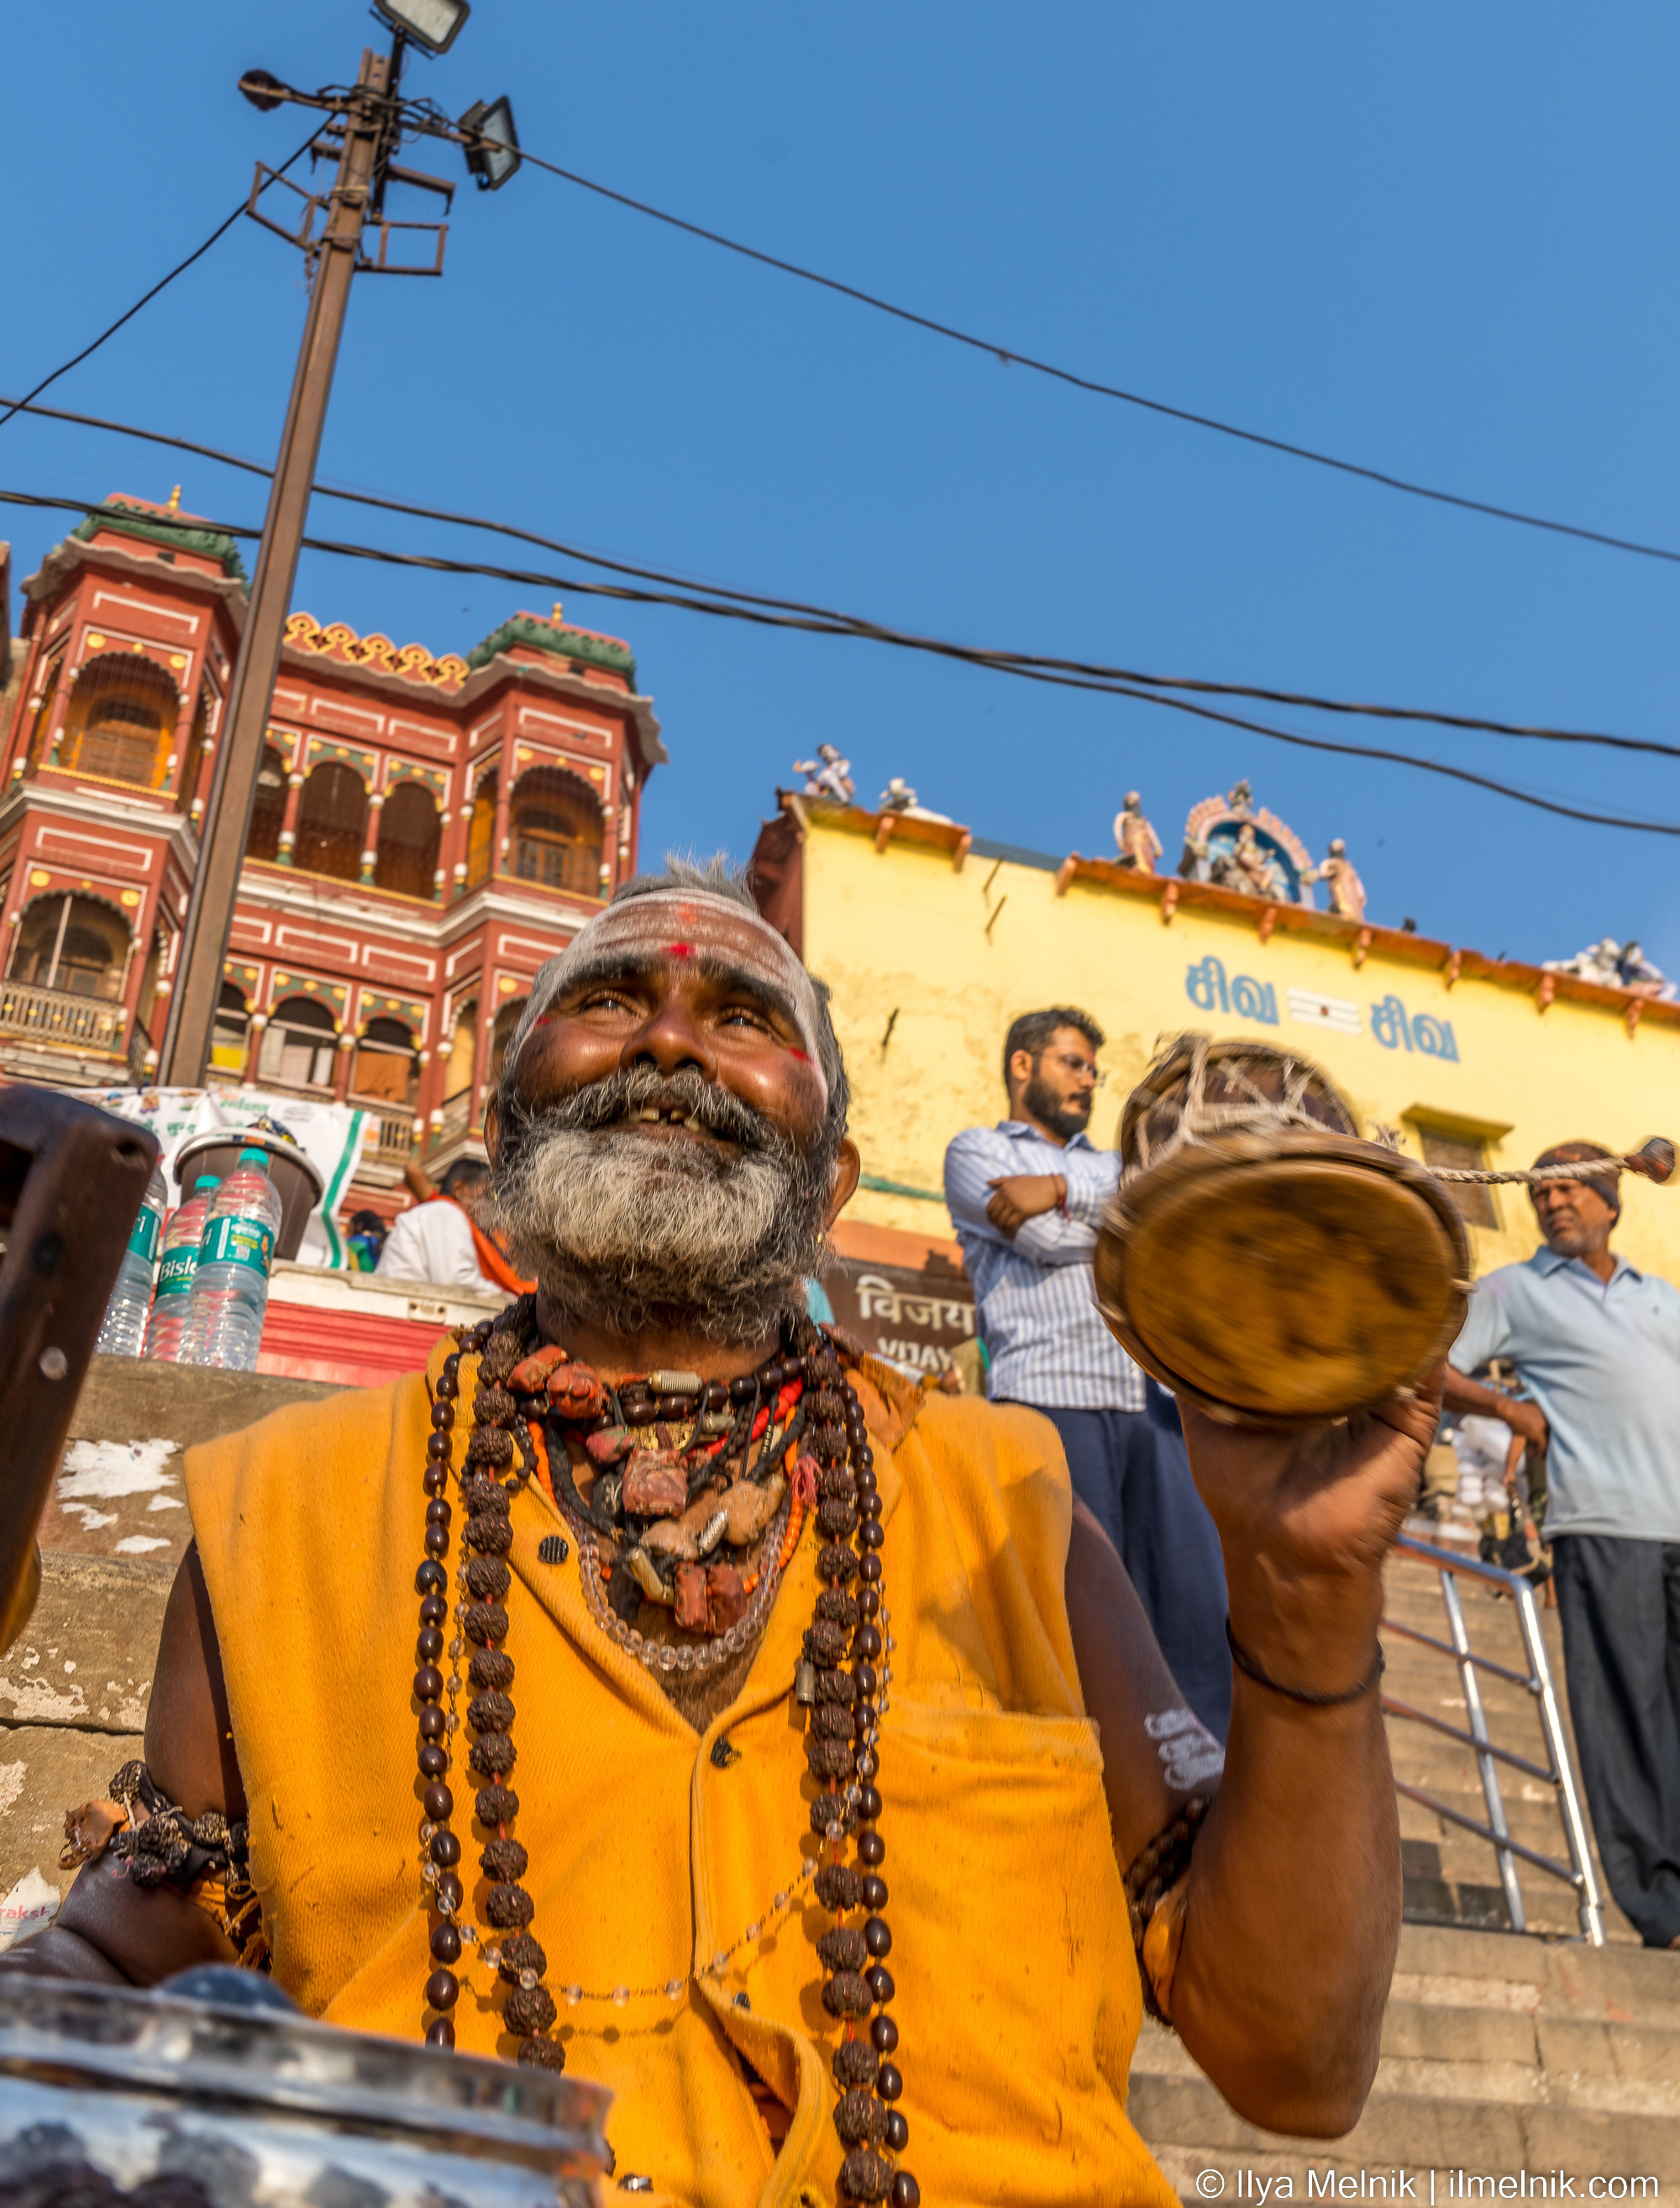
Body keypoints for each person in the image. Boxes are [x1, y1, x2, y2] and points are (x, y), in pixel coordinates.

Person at [26, 865, 1425, 2206]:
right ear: (505, 1144)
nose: (675, 1042)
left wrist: (1304, 1594)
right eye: (613, 1002)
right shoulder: (286, 1512)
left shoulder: (1014, 1504)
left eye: (745, 1019)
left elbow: (1296, 2066)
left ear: (830, 1185)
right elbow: (135, 1943)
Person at [943, 1009, 1231, 1739]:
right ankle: (1096, 1794)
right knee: (1078, 1618)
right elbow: (1037, 1239)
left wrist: (1065, 1193)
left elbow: (1172, 1218)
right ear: (1022, 1066)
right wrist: (1121, 1220)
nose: (1088, 1081)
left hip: (1152, 1399)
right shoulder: (974, 1151)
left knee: (1193, 1614)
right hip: (1047, 1402)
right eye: (1072, 1063)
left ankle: (1217, 1795)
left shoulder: (1109, 1165)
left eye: (1093, 1070)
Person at [1444, 1139, 1680, 1948]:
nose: (1553, 1203)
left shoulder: (1665, 1299)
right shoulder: (1513, 1291)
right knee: (1625, 1719)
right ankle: (1662, 1908)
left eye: (1572, 1190)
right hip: (1603, 1529)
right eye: (1541, 1193)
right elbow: (1427, 1368)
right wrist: (1509, 1411)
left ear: (1613, 1204)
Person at [377, 1156, 528, 1304]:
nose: (489, 1204)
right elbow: (456, 1280)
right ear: (459, 1189)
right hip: (398, 1306)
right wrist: (509, 1300)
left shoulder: (441, 1212)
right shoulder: (446, 1211)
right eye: (486, 1195)